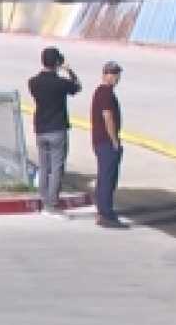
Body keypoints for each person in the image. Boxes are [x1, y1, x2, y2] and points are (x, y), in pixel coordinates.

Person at [27, 46, 82, 218]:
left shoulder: (33, 82)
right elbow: (77, 87)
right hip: (57, 128)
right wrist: (69, 70)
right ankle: (51, 204)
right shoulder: (60, 83)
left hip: (41, 128)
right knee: (57, 168)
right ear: (57, 62)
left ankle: (43, 200)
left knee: (44, 167)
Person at [90, 61, 128, 229]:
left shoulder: (101, 92)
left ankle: (102, 211)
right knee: (107, 178)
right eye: (114, 74)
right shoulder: (105, 93)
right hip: (106, 142)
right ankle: (106, 214)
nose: (117, 78)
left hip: (100, 141)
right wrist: (114, 140)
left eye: (117, 74)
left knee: (104, 177)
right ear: (106, 75)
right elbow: (108, 117)